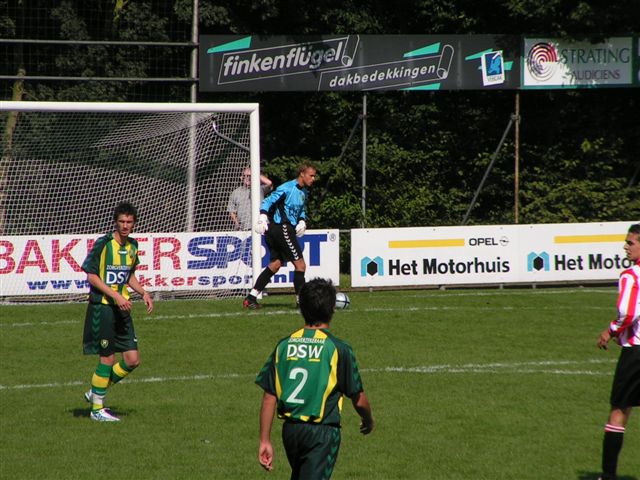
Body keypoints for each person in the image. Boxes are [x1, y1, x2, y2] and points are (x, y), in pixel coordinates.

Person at [255, 278, 374, 479]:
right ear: (332, 309)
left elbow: (269, 397)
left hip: (291, 431)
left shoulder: (284, 345)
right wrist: (368, 419)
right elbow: (358, 398)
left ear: (301, 307)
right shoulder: (337, 348)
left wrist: (265, 440)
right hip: (322, 433)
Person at [81, 201, 153, 422]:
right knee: (107, 359)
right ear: (115, 222)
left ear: (134, 224)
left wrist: (143, 292)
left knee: (132, 359)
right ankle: (97, 410)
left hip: (123, 309)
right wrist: (116, 296)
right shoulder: (103, 244)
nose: (125, 225)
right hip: (103, 309)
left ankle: (96, 391)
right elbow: (91, 276)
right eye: (121, 221)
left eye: (129, 222)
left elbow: (128, 275)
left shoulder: (132, 246)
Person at [596, 223, 640, 480]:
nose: (625, 246)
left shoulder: (631, 275)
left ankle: (608, 476)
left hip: (636, 353)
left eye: (630, 242)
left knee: (619, 410)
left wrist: (610, 331)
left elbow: (628, 312)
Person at [243, 162, 316, 309]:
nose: (313, 178)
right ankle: (301, 301)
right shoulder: (287, 188)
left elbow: (301, 209)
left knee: (275, 265)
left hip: (281, 230)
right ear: (302, 173)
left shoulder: (304, 192)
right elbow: (268, 201)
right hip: (281, 228)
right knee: (300, 265)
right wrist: (262, 216)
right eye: (311, 175)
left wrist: (301, 220)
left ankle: (250, 298)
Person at [228, 166, 273, 231]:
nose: (248, 178)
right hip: (244, 228)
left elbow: (269, 183)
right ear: (241, 178)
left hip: (261, 226)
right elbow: (231, 210)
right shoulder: (235, 192)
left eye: (250, 176)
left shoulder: (260, 188)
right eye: (245, 176)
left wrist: (255, 174)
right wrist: (237, 224)